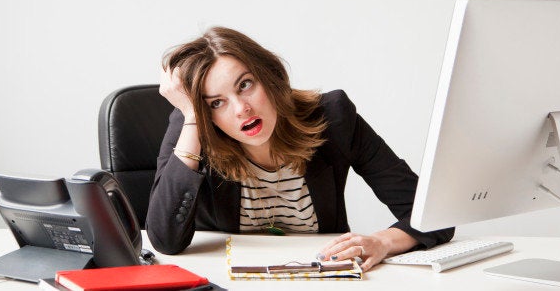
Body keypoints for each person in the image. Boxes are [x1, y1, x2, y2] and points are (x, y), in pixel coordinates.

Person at [145, 26, 454, 271]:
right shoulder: (192, 129)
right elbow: (166, 241)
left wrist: (382, 242)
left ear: (270, 77)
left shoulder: (334, 117)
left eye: (245, 85)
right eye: (216, 102)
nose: (241, 108)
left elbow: (433, 215)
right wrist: (191, 120)